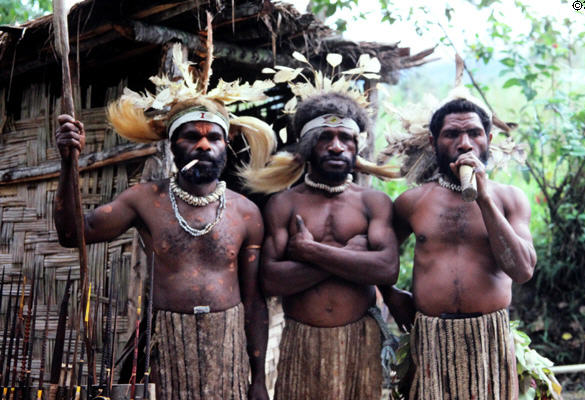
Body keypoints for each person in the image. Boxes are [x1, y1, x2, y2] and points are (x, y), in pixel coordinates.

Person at [54, 44, 274, 400]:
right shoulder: (145, 199)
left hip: (226, 343)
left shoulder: (246, 212)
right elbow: (71, 233)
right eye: (192, 136)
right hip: (164, 342)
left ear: (226, 145)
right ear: (173, 145)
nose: (204, 145)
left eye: (213, 137)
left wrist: (259, 379)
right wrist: (67, 163)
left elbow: (254, 301)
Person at [243, 92, 399, 400]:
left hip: (359, 341)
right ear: (307, 146)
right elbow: (271, 280)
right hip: (302, 341)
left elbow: (387, 269)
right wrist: (353, 259)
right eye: (324, 137)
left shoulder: (373, 202)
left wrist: (313, 252)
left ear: (358, 146)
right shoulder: (283, 204)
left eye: (346, 138)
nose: (336, 146)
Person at [392, 95, 536, 400]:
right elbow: (378, 255)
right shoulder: (413, 202)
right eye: (452, 134)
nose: (465, 143)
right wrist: (389, 295)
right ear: (433, 142)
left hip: (489, 339)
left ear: (489, 139)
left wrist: (484, 199)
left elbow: (522, 270)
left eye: (474, 133)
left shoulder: (510, 198)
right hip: (432, 341)